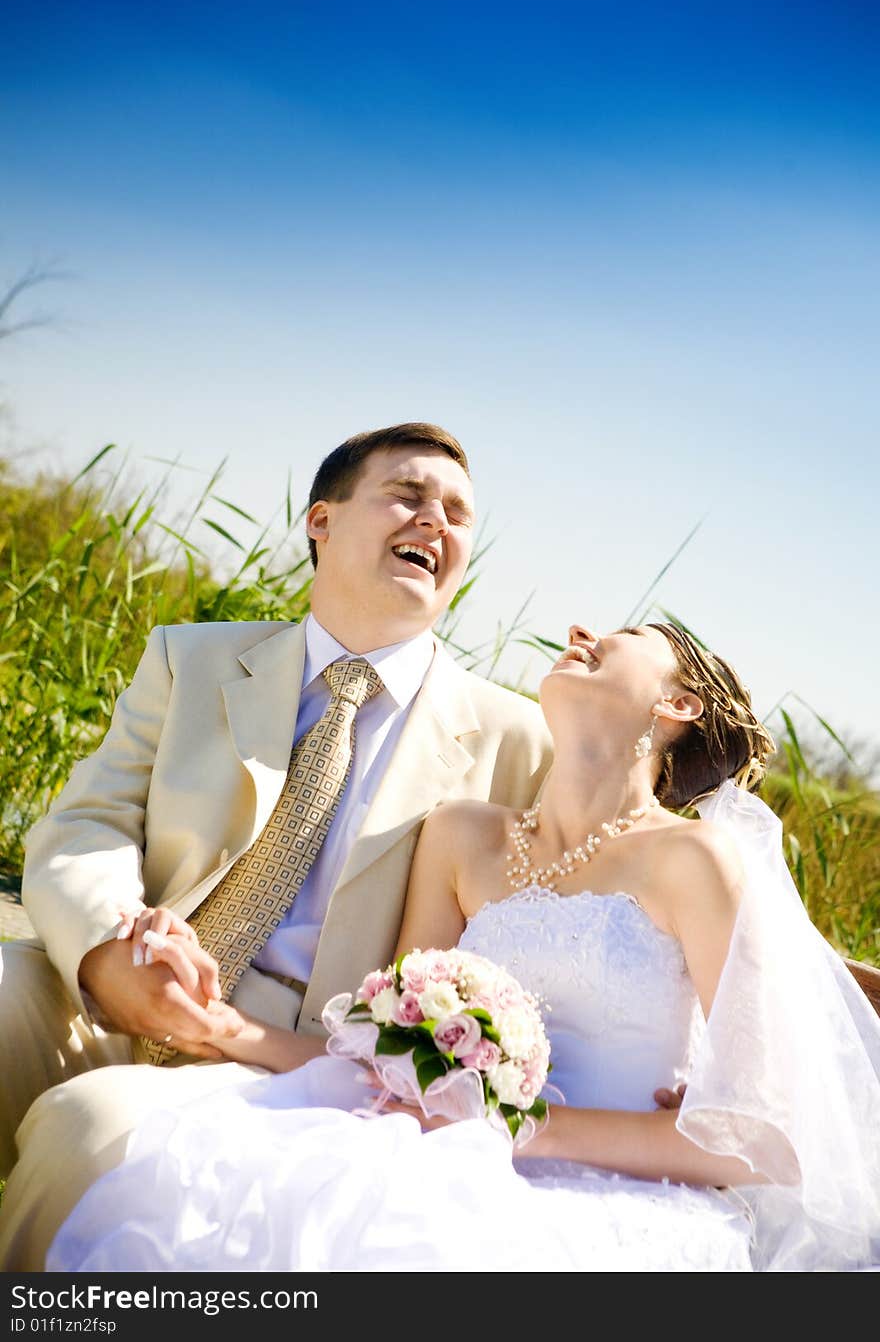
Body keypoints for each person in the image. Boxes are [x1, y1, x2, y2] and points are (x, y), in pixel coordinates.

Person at [43, 621, 880, 1271]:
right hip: (433, 1146)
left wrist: (520, 1128)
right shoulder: (461, 838)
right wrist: (226, 1029)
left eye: (620, 638)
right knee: (189, 1196)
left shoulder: (690, 859)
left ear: (678, 706)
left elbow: (763, 1139)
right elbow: (381, 1053)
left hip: (609, 1193)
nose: (581, 631)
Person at [0, 423, 554, 1270]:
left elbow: (616, 873)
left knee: (93, 1132)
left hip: (298, 1061)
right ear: (321, 522)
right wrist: (112, 953)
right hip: (131, 983)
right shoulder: (191, 658)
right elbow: (87, 823)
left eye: (457, 513)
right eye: (407, 496)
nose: (434, 521)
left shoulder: (519, 740)